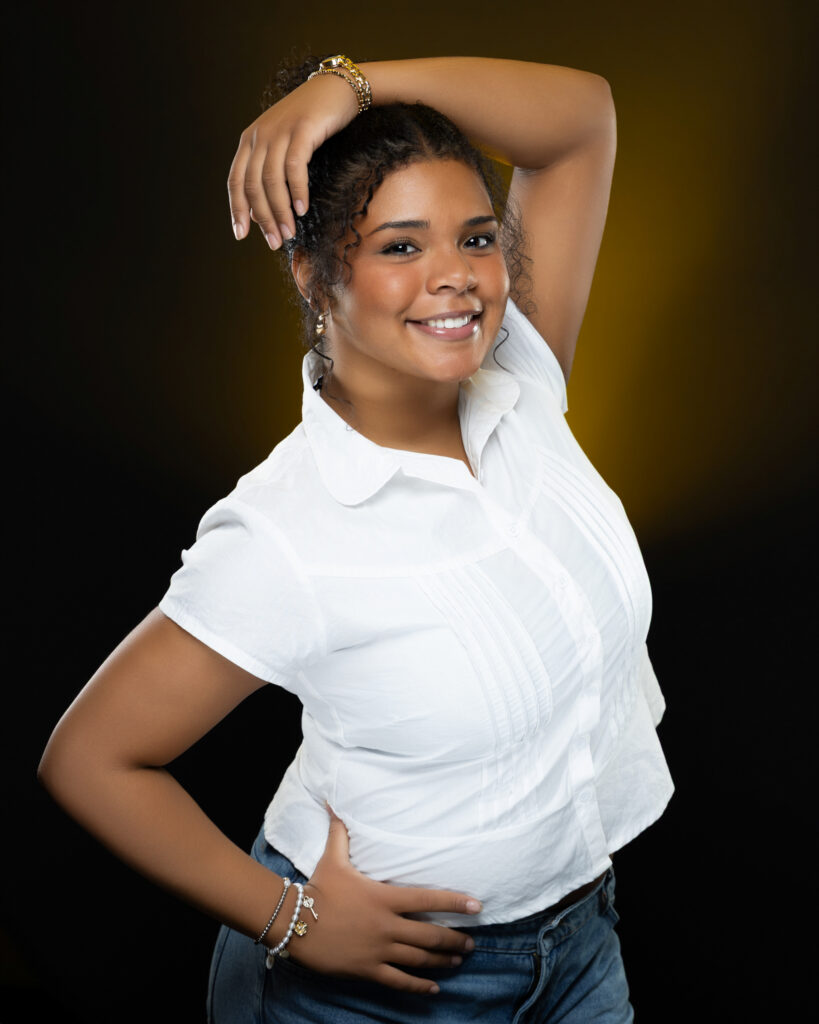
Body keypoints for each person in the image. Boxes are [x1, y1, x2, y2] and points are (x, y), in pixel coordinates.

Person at [39, 54, 674, 1023]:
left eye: (472, 236)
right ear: (312, 271)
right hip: (385, 995)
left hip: (582, 946)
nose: (455, 277)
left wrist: (354, 81)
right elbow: (89, 757)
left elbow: (584, 116)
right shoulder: (286, 529)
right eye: (400, 247)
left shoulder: (520, 374)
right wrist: (293, 920)